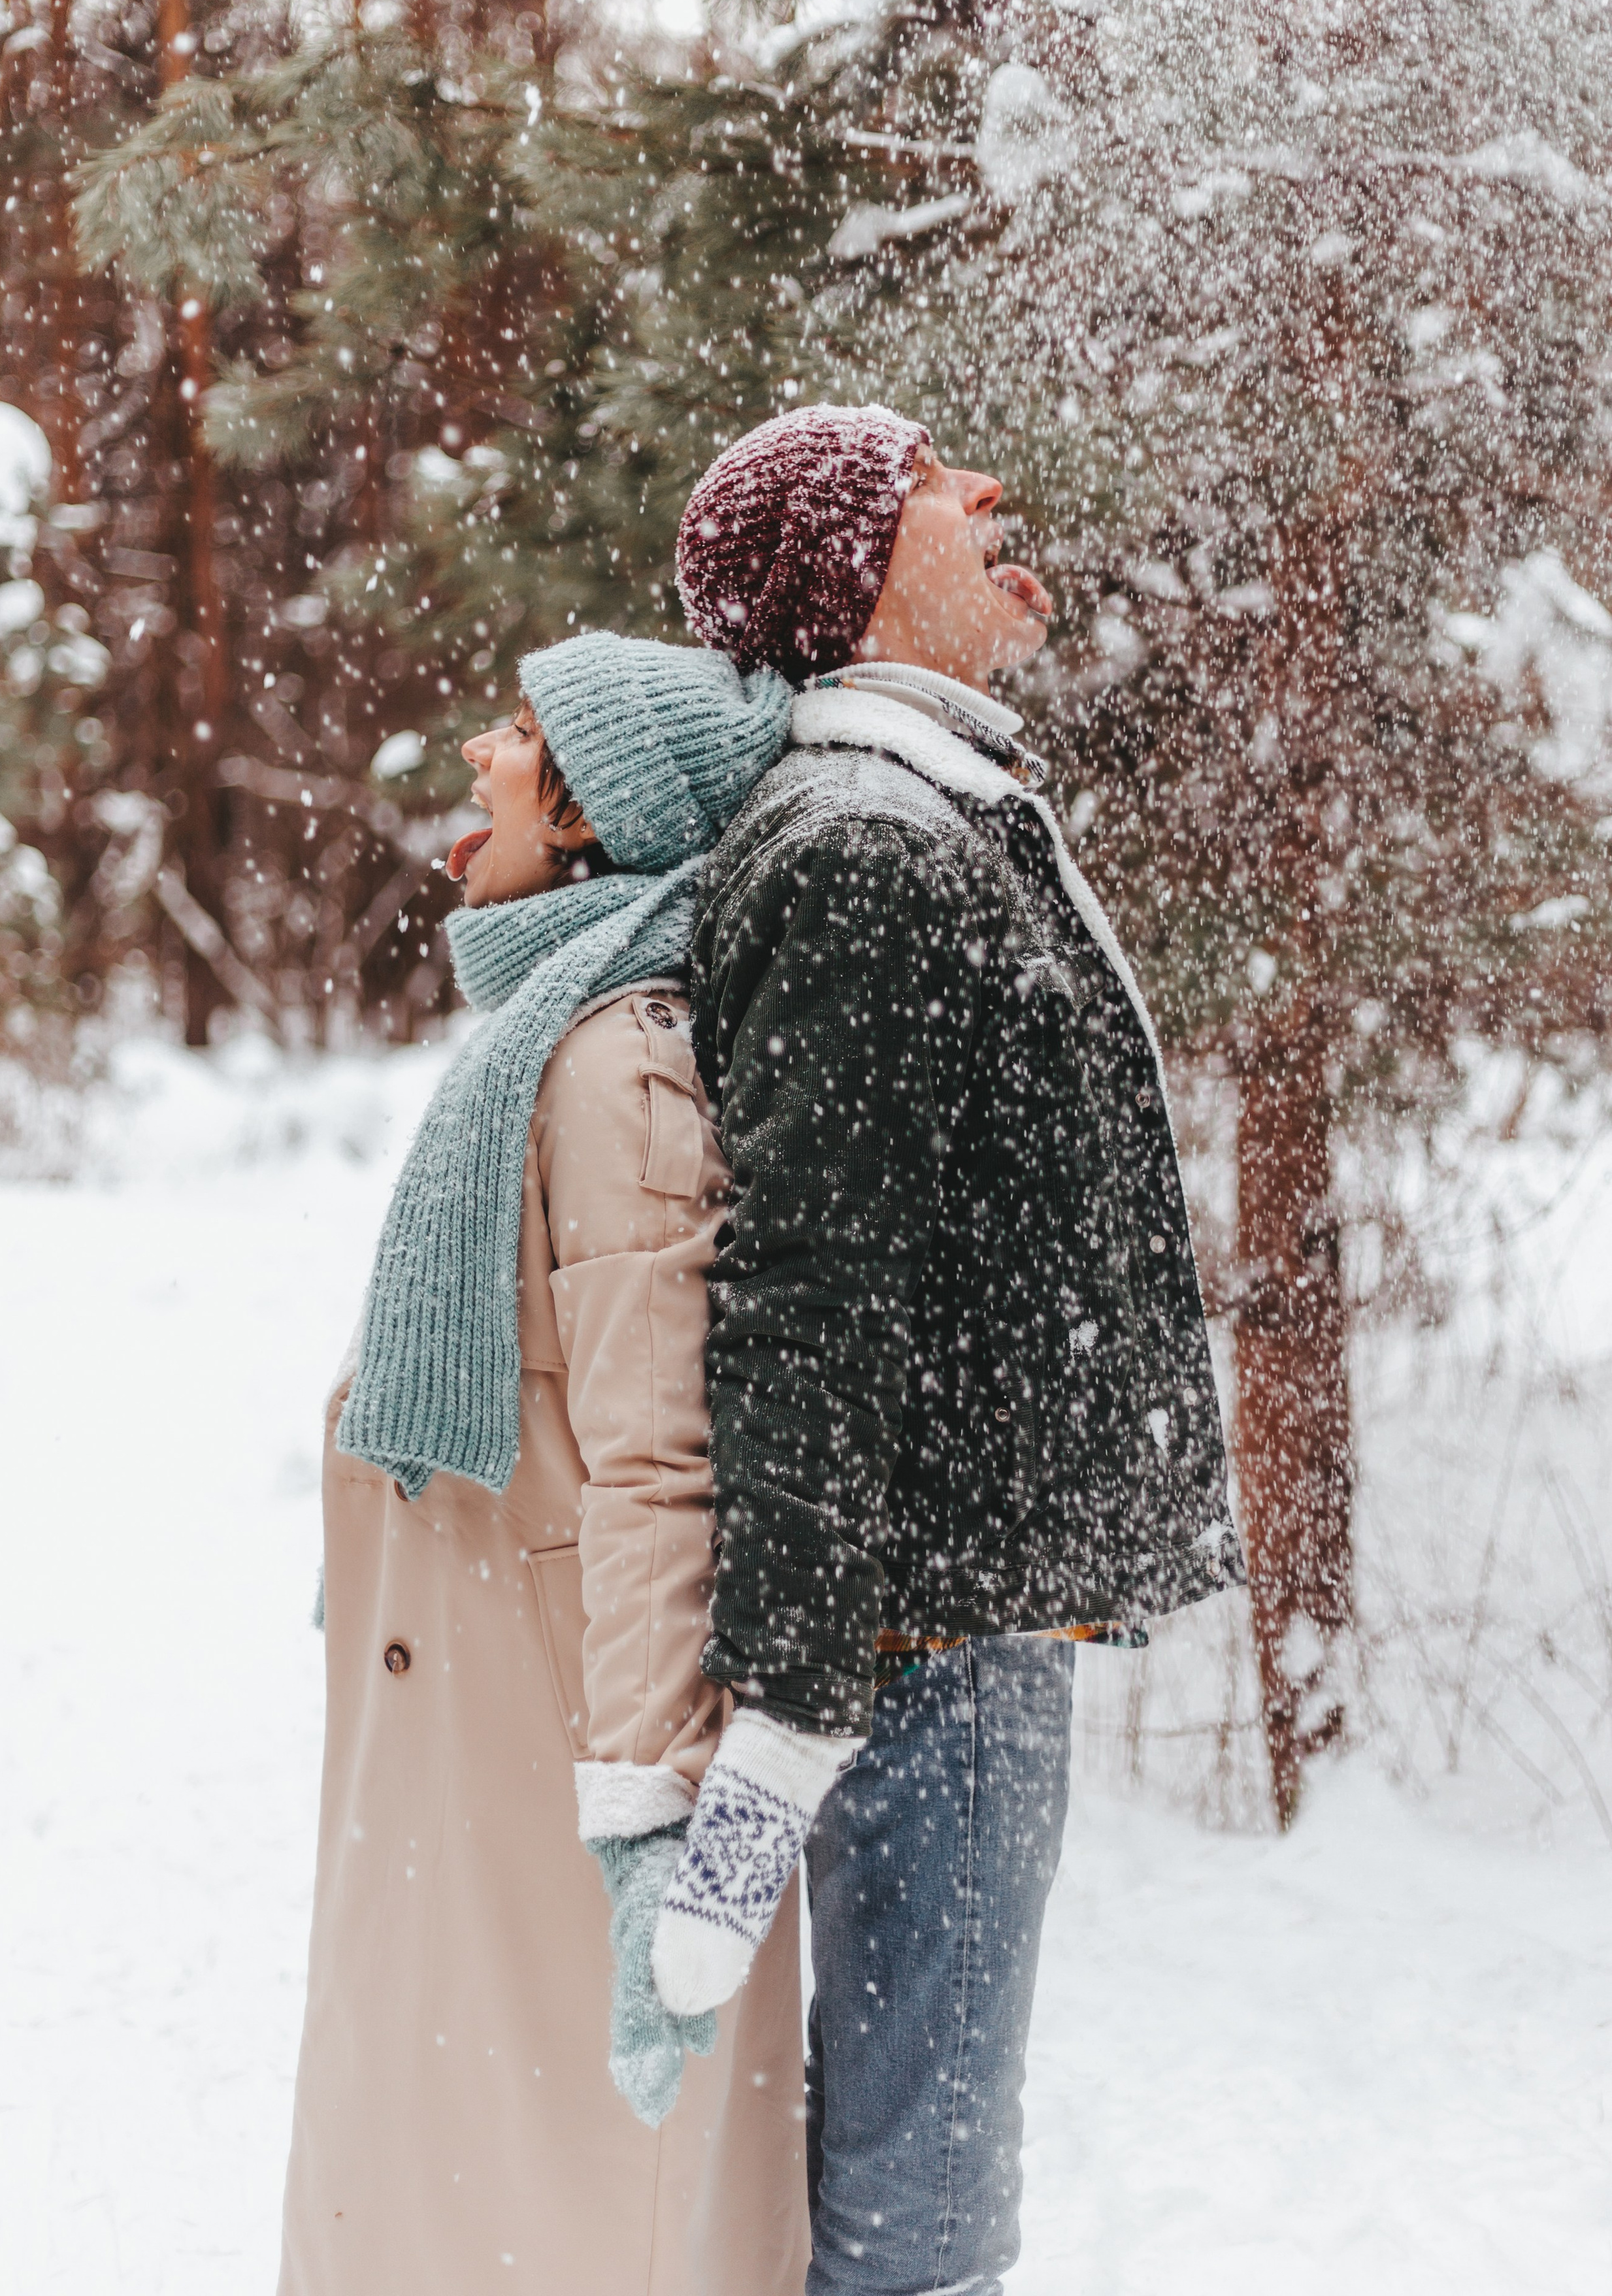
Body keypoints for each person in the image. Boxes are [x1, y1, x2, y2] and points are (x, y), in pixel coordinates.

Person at [646, 406, 1247, 2296]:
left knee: (922, 2166)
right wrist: (799, 1703)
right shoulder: (863, 848)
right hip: (918, 1643)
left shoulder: (926, 817)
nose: (989, 490)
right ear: (843, 575)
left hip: (946, 1620)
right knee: (921, 2211)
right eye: (927, 481)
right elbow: (814, 1298)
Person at [276, 633, 807, 2296]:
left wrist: (649, 1813)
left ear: (589, 819)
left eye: (517, 736)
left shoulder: (612, 1059)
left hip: (557, 1732)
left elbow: (662, 1460)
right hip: (479, 1710)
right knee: (455, 2173)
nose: (479, 758)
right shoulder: (549, 1026)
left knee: (552, 2200)